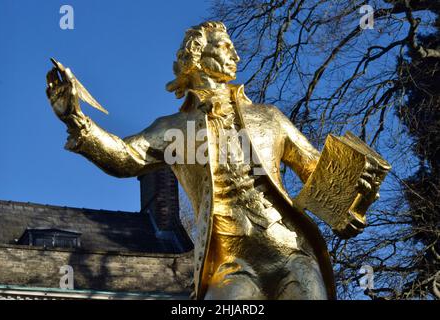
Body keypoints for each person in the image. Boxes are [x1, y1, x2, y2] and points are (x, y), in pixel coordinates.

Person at [46, 21, 377, 300]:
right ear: (197, 58)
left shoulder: (269, 118)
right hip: (231, 264)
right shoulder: (174, 128)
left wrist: (354, 194)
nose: (235, 54)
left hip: (292, 252)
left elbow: (317, 169)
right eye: (224, 47)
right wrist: (75, 119)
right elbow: (123, 158)